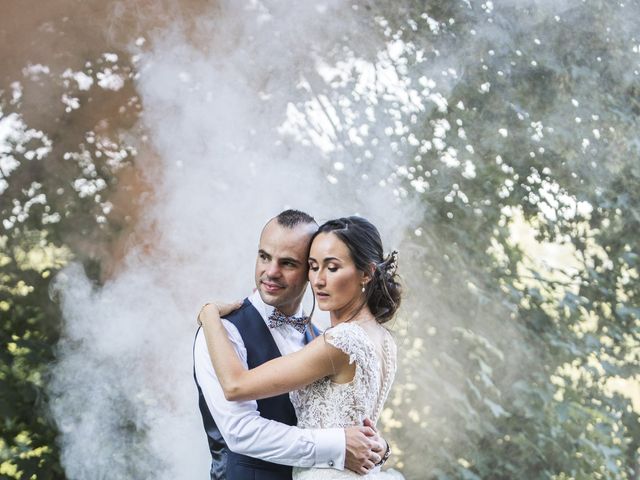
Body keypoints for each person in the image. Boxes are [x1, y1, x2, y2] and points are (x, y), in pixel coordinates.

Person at [199, 216, 405, 479]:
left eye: (332, 268)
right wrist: (380, 448)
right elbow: (239, 431)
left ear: (366, 273)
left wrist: (208, 313)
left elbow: (236, 385)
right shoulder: (382, 339)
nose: (318, 280)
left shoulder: (338, 342)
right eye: (313, 266)